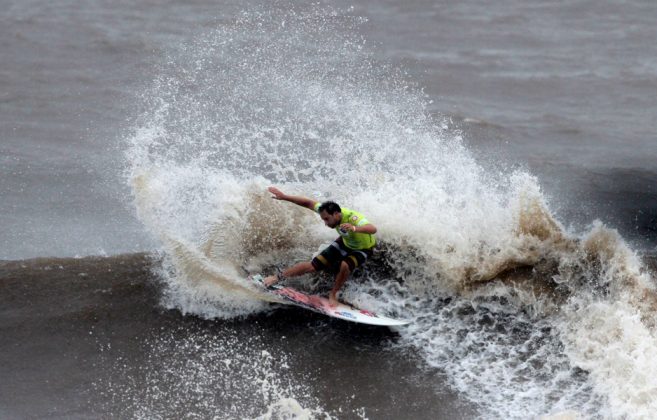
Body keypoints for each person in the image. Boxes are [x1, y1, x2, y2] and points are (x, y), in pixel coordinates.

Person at [263, 186, 378, 307]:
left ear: (336, 214)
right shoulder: (325, 210)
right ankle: (277, 277)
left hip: (364, 248)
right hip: (345, 243)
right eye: (324, 220)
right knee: (313, 265)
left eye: (327, 219)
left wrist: (354, 228)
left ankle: (333, 294)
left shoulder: (352, 217)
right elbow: (307, 203)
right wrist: (284, 197)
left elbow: (373, 229)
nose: (326, 223)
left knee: (345, 265)